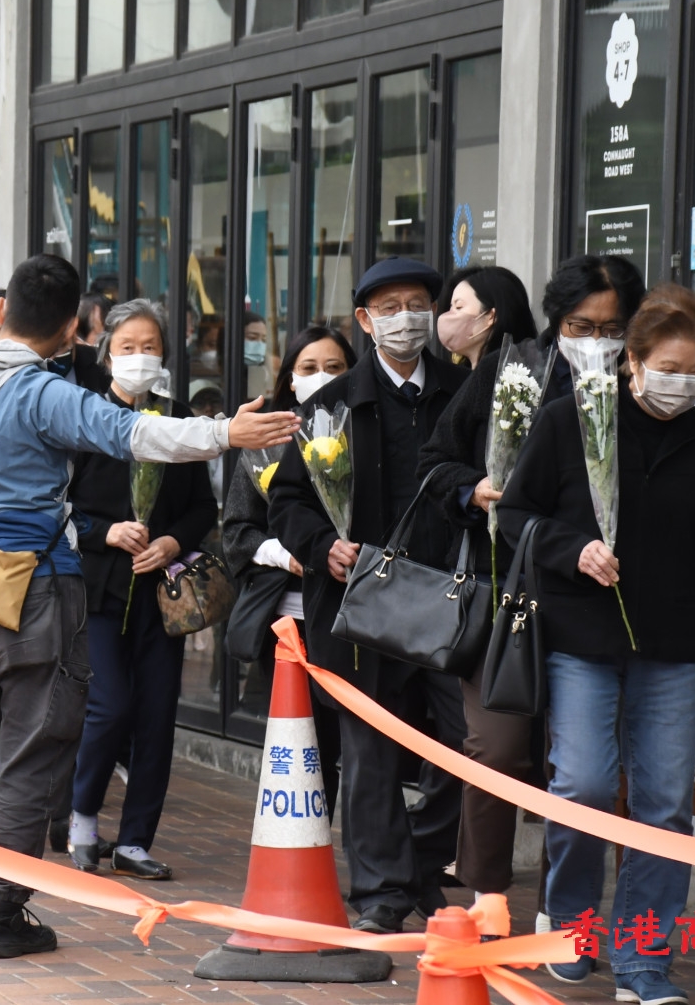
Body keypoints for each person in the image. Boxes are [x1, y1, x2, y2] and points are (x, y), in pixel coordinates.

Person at [0, 254, 299, 958]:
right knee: (30, 756)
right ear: (74, 328)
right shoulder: (41, 392)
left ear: (2, 311)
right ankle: (4, 916)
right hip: (41, 593)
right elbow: (135, 434)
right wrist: (226, 433)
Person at [496, 286, 695, 1004]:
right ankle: (573, 927)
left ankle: (644, 964)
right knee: (582, 784)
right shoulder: (572, 419)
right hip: (579, 636)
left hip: (672, 646)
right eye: (669, 368)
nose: (683, 384)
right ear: (632, 361)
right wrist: (572, 549)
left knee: (664, 804)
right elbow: (514, 515)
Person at [416, 258, 632, 905]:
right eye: (581, 325)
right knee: (498, 748)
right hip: (504, 589)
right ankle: (487, 894)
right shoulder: (512, 371)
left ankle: (560, 910)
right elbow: (436, 461)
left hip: (595, 598)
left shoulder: (638, 384)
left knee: (579, 768)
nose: (596, 340)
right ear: (555, 319)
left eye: (612, 327)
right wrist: (473, 489)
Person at [266, 257, 470, 933]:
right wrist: (323, 545)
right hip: (361, 599)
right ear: (364, 319)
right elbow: (288, 501)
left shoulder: (463, 393)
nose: (404, 318)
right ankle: (382, 891)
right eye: (388, 308)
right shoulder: (331, 405)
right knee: (371, 752)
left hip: (449, 597)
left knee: (465, 742)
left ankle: (423, 863)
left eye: (416, 304)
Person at [65, 299, 217, 880]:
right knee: (109, 706)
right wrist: (105, 532)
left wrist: (173, 542)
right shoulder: (84, 417)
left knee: (156, 715)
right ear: (107, 354)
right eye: (127, 347)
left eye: (149, 346)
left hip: (163, 596)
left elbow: (203, 506)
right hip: (100, 590)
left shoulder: (179, 420)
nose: (139, 357)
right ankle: (81, 818)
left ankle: (135, 841)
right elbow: (58, 506)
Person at [221, 324, 355, 793]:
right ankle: (302, 831)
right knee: (302, 743)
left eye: (335, 367)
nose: (322, 376)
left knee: (347, 742)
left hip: (355, 616)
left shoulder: (365, 435)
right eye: (309, 367)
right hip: (289, 622)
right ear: (290, 380)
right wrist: (286, 553)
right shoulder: (269, 441)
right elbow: (237, 532)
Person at [436, 266, 540, 369]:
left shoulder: (516, 376)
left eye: (459, 307)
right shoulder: (456, 376)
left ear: (491, 316)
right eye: (451, 307)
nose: (449, 315)